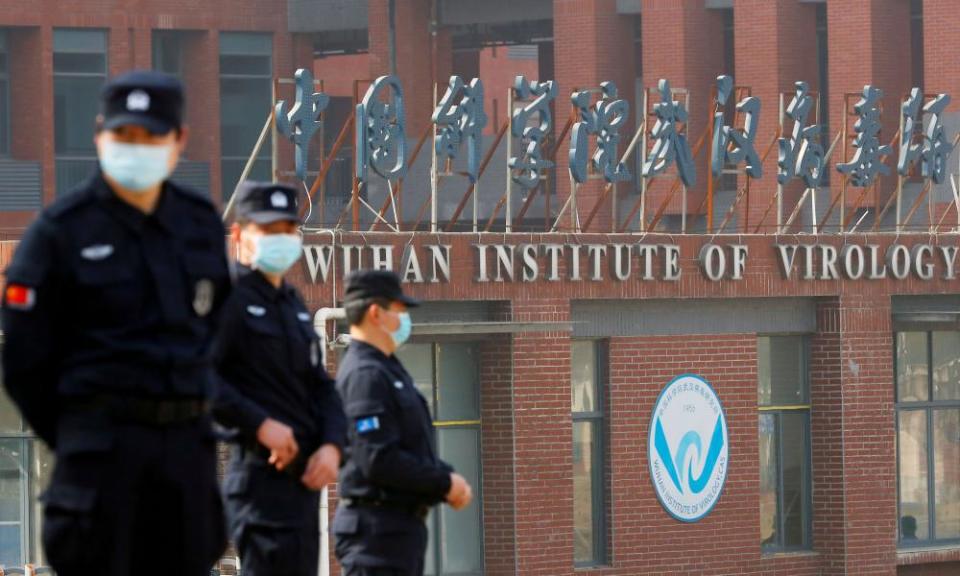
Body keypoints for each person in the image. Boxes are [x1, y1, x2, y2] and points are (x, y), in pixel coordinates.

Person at [1, 70, 229, 576]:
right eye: (124, 136)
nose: (136, 148)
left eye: (151, 137)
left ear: (179, 141)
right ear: (99, 134)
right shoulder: (60, 232)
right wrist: (80, 430)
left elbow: (217, 330)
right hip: (100, 461)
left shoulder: (200, 224)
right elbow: (23, 359)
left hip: (184, 460)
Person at [213, 181, 346, 576]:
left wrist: (333, 445)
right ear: (239, 234)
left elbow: (321, 386)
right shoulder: (227, 296)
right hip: (259, 481)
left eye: (289, 229)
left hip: (303, 484)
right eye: (269, 230)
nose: (282, 239)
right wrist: (260, 425)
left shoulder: (293, 304)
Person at [332, 270, 473, 576]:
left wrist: (445, 477)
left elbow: (410, 444)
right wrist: (444, 483)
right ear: (375, 313)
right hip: (376, 533)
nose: (405, 320)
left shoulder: (387, 369)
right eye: (400, 311)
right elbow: (377, 458)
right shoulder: (365, 375)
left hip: (396, 532)